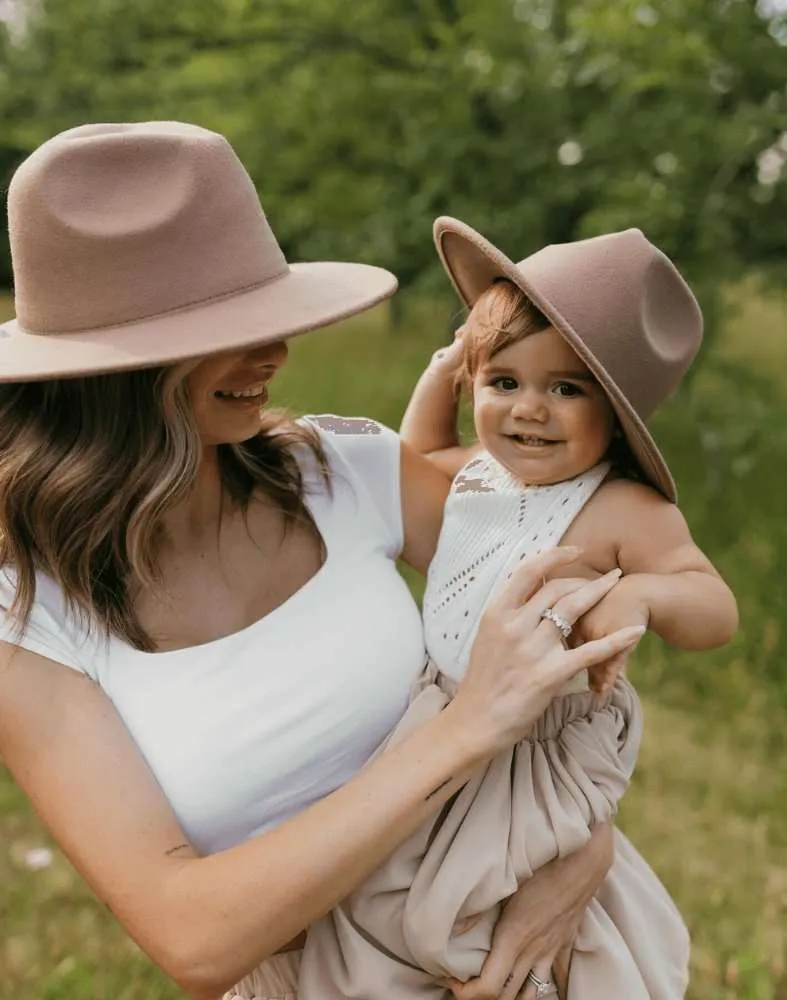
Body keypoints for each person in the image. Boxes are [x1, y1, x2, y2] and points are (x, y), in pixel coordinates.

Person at [0, 123, 647, 1000]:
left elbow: (575, 565)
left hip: (515, 946)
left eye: (271, 316)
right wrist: (465, 732)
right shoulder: (27, 619)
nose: (275, 354)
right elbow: (192, 938)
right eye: (228, 330)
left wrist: (582, 837)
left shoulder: (346, 471)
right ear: (113, 370)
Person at [298, 220, 738, 999]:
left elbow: (713, 604)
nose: (528, 410)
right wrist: (442, 371)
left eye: (565, 388)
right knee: (383, 893)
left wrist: (642, 593)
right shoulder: (476, 473)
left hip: (534, 750)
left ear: (619, 409)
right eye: (503, 382)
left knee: (482, 913)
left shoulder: (621, 508)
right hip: (441, 720)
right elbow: (418, 455)